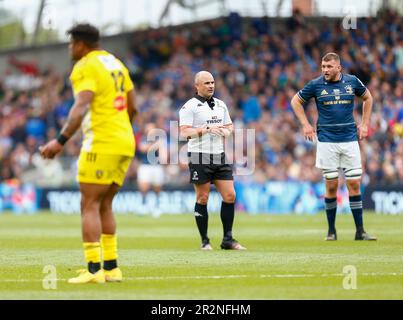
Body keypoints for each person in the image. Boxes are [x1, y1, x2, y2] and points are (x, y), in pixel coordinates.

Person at [39, 23, 137, 283]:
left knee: (89, 204)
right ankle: (112, 268)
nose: (71, 48)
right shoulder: (116, 63)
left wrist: (60, 141)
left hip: (101, 142)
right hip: (124, 141)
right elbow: (133, 106)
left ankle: (94, 271)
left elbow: (81, 105)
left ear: (81, 44)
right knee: (105, 204)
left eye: (72, 43)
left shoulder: (85, 66)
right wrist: (120, 129)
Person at [291, 52, 377, 241]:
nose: (325, 70)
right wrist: (305, 124)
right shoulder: (315, 84)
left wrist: (364, 124)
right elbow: (296, 101)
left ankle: (360, 231)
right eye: (323, 67)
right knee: (331, 186)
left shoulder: (352, 81)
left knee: (354, 184)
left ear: (339, 68)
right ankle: (331, 231)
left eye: (329, 67)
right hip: (327, 140)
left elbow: (368, 98)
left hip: (349, 139)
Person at [179, 71, 246, 250]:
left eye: (212, 82)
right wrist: (206, 129)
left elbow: (229, 125)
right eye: (207, 83)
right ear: (197, 86)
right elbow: (184, 132)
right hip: (199, 156)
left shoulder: (221, 105)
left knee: (230, 195)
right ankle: (205, 241)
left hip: (219, 155)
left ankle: (228, 239)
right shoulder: (189, 107)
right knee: (203, 197)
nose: (211, 86)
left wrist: (227, 131)